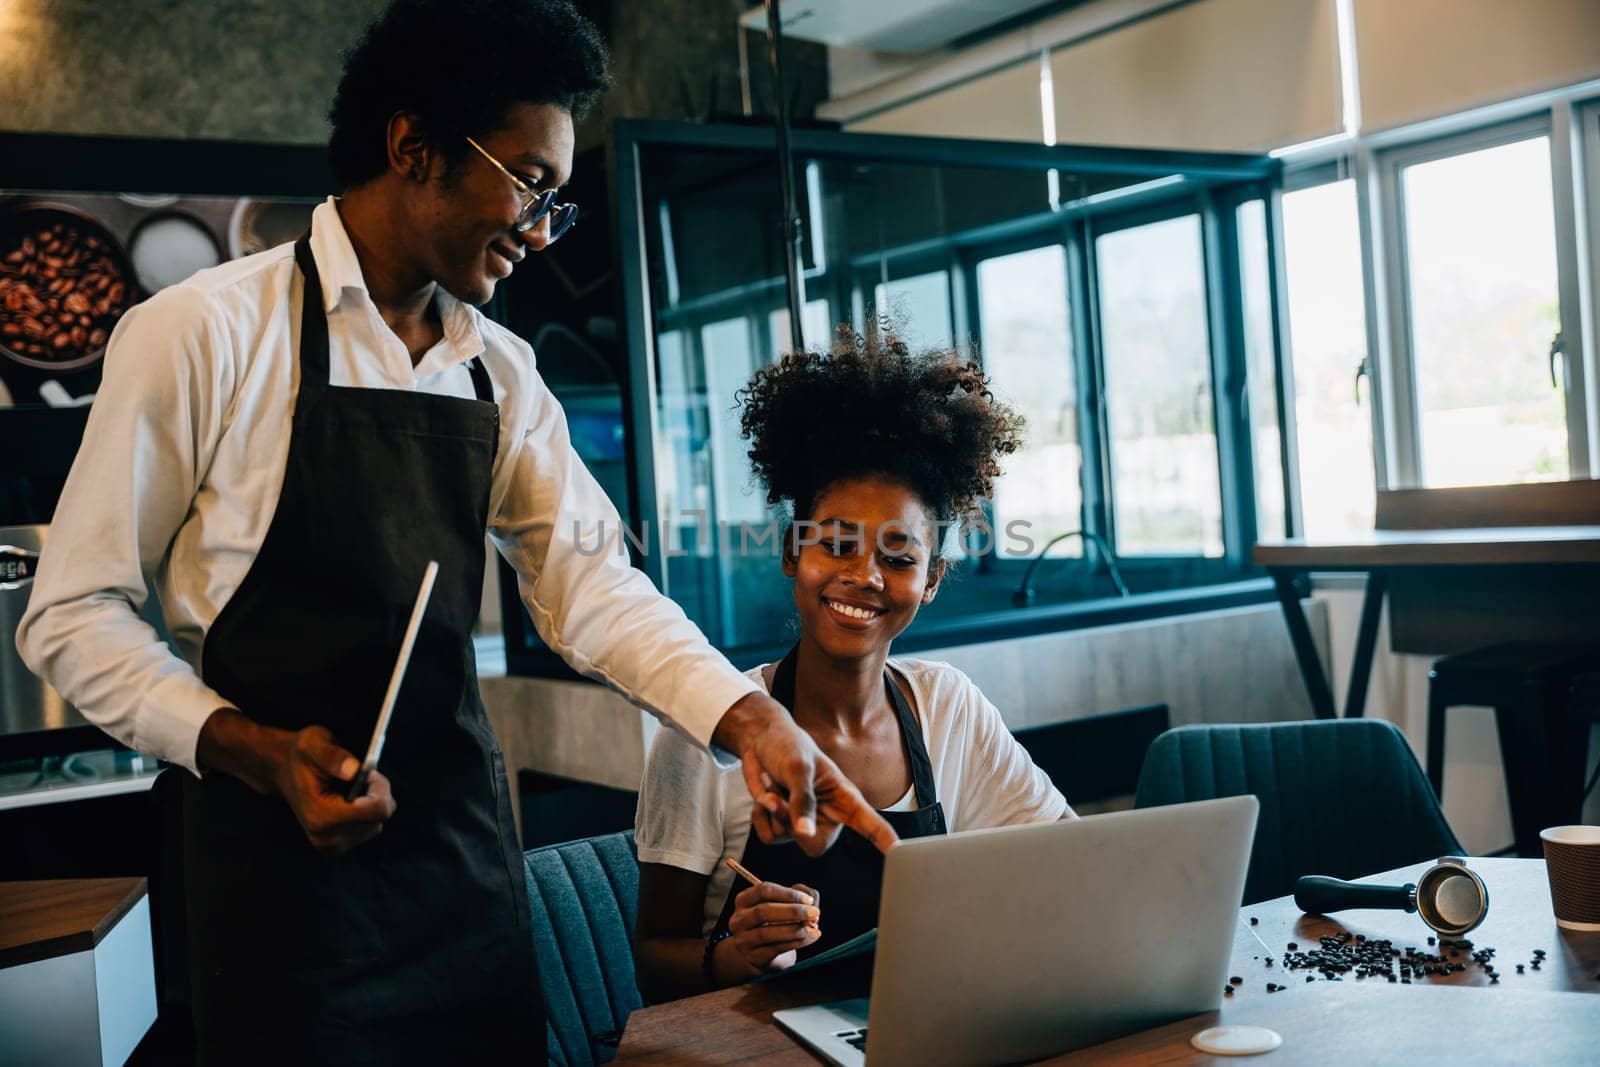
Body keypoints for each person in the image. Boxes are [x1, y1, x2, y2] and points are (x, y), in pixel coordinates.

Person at [16, 2, 891, 1061]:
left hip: (462, 879)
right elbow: (70, 614)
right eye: (531, 183)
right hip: (277, 888)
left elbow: (588, 586)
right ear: (413, 148)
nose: (540, 228)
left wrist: (751, 720)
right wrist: (250, 748)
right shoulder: (201, 333)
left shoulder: (500, 370)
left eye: (554, 201)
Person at [632, 323, 1076, 1002]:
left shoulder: (947, 706)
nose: (863, 576)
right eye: (835, 545)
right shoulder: (705, 735)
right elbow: (651, 961)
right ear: (791, 552)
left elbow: (1068, 861)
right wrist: (732, 953)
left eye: (898, 558)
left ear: (931, 579)